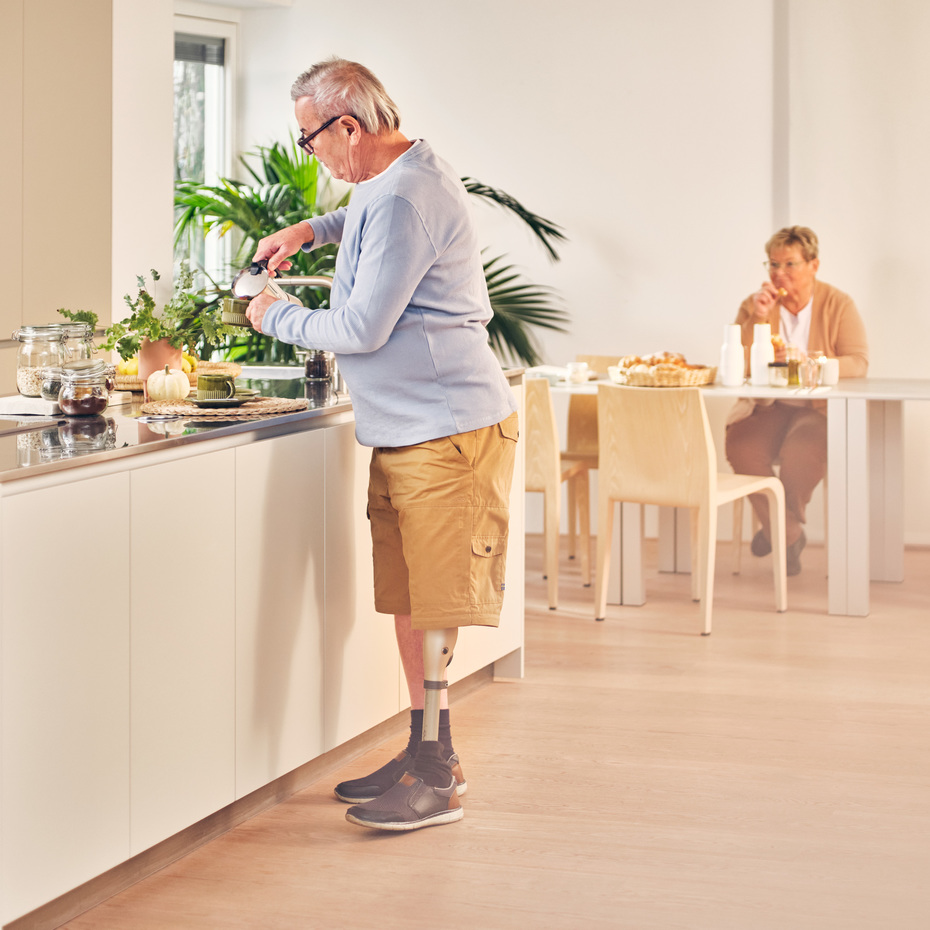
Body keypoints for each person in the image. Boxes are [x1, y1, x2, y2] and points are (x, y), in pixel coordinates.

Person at [245, 58, 519, 832]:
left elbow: (362, 330)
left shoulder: (406, 196)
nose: (314, 157)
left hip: (447, 431)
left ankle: (436, 776)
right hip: (409, 429)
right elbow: (364, 214)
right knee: (410, 605)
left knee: (433, 608)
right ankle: (425, 751)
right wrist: (311, 227)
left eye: (311, 140)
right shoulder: (393, 177)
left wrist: (272, 316)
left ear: (349, 127)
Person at [725, 225, 868, 575]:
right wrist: (757, 318)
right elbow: (738, 363)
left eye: (789, 264)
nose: (779, 273)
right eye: (773, 265)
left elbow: (858, 361)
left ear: (813, 265)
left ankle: (775, 531)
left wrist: (812, 365)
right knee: (741, 444)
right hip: (768, 406)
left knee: (801, 454)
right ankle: (788, 533)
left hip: (816, 407)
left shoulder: (838, 303)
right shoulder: (756, 304)